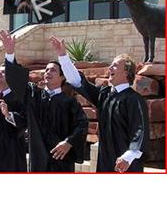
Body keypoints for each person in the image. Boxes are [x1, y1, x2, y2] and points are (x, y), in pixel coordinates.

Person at [49, 36, 150, 172]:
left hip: (126, 165)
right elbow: (78, 82)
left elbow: (140, 129)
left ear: (126, 72)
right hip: (105, 162)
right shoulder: (105, 94)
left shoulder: (134, 99)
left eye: (114, 65)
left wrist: (129, 155)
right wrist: (63, 56)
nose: (110, 68)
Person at [0, 30, 88, 172]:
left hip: (61, 160)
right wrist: (10, 53)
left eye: (53, 70)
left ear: (62, 77)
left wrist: (68, 143)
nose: (48, 72)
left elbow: (82, 125)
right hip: (38, 160)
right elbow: (16, 80)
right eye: (46, 70)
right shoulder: (33, 95)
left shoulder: (69, 102)